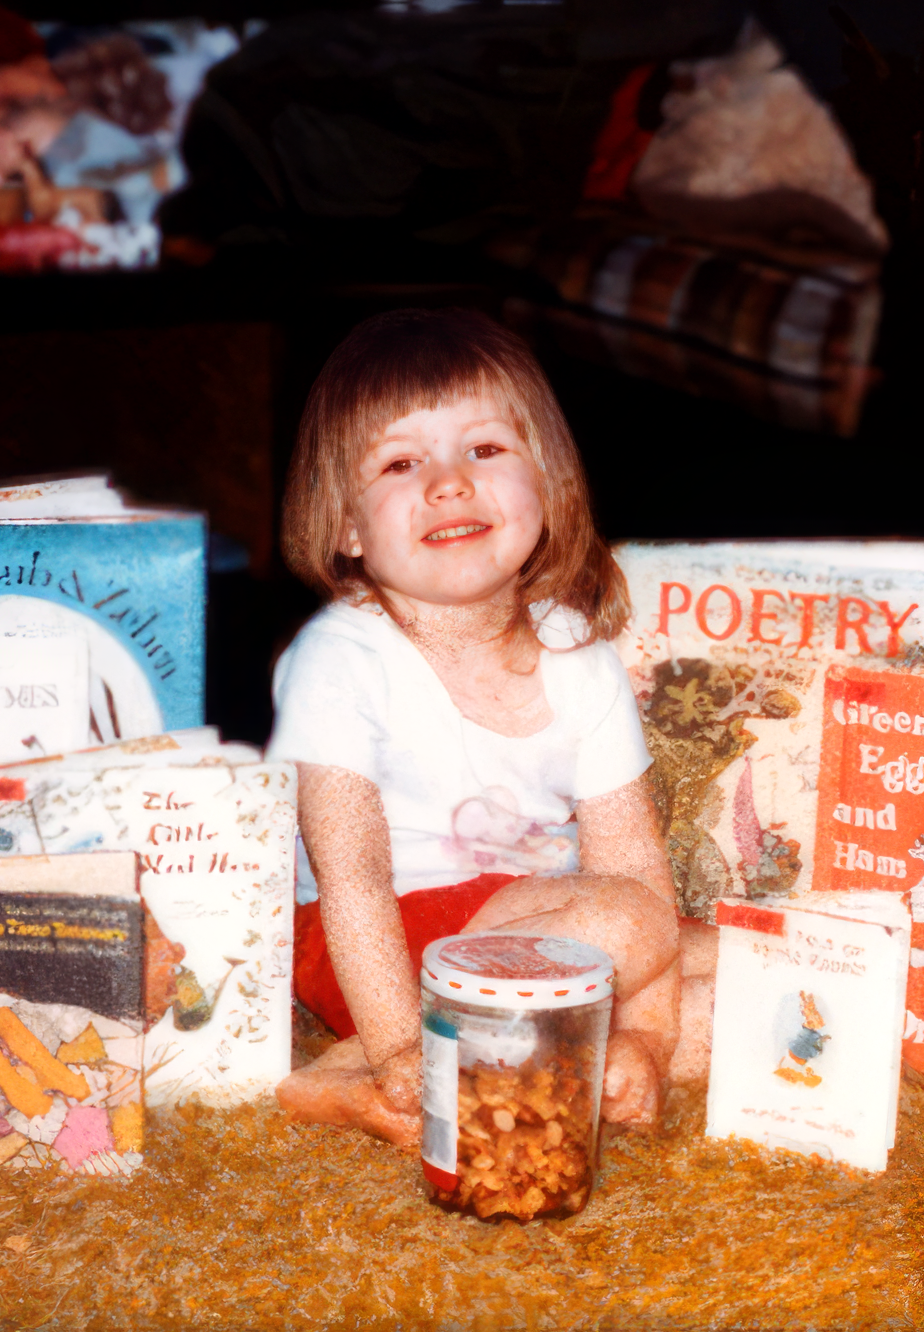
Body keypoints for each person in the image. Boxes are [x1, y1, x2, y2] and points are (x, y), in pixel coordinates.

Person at [267, 307, 688, 1142]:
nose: (449, 482)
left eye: (486, 449)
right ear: (347, 525)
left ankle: (497, 1058)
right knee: (631, 923)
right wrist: (397, 1050)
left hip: (526, 921)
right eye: (399, 463)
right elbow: (351, 879)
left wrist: (646, 1038)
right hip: (369, 939)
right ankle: (361, 1070)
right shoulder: (340, 660)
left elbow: (631, 856)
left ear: (548, 483)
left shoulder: (577, 651)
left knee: (731, 979)